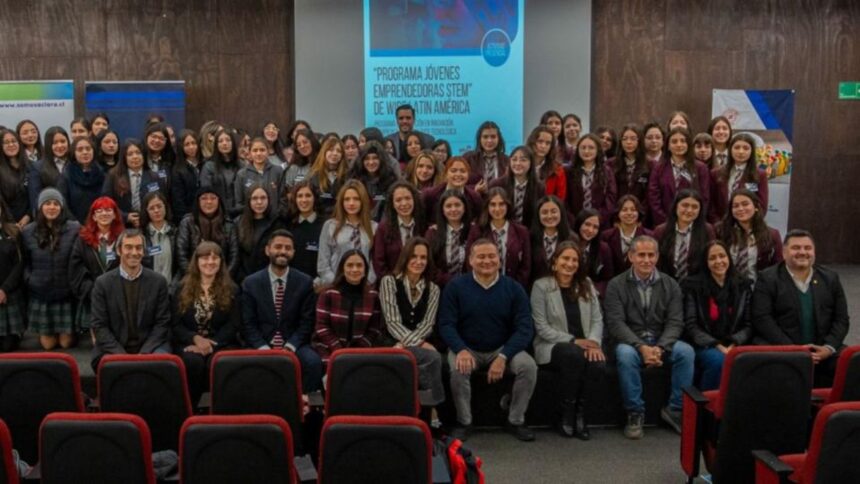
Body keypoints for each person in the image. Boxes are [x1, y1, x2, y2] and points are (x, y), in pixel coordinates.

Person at [439, 239, 537, 442]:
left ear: (499, 260)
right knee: (458, 370)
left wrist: (503, 356)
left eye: (492, 256)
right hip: (467, 347)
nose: (487, 260)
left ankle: (515, 420)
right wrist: (461, 349)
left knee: (528, 366)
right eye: (481, 256)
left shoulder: (514, 288)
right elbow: (446, 325)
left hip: (503, 348)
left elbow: (525, 328)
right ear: (470, 261)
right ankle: (464, 422)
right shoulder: (456, 287)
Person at [603, 235, 694, 439]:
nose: (646, 260)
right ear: (630, 256)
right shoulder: (616, 285)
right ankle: (635, 412)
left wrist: (660, 347)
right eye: (641, 255)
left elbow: (675, 322)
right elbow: (616, 323)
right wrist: (641, 347)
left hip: (661, 342)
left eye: (651, 255)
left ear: (657, 257)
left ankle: (675, 409)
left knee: (686, 352)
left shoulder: (670, 285)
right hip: (630, 342)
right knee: (625, 355)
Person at [751, 229, 849, 387]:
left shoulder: (830, 278)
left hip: (822, 350)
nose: (803, 252)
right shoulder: (767, 279)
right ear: (784, 252)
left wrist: (828, 348)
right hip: (782, 348)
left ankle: (838, 411)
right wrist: (794, 350)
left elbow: (841, 319)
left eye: (808, 248)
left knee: (853, 363)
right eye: (796, 248)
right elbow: (762, 319)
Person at [531, 241, 605, 439]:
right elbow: (541, 327)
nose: (570, 263)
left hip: (585, 345)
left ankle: (581, 414)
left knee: (596, 363)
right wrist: (575, 341)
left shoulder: (586, 284)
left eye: (575, 260)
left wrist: (594, 343)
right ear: (555, 261)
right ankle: (566, 412)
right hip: (552, 345)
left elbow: (597, 319)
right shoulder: (541, 286)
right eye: (565, 258)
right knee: (573, 354)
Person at [242, 229, 322, 391]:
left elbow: (306, 322)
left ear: (293, 252)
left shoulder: (304, 282)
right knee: (243, 365)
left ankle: (306, 408)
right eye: (278, 247)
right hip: (261, 343)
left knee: (313, 362)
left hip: (294, 343)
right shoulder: (251, 283)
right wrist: (263, 348)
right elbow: (248, 323)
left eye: (287, 248)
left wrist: (290, 346)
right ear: (267, 250)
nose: (282, 251)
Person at [90, 229, 172, 371]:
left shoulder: (158, 282)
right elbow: (99, 326)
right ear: (119, 250)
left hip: (150, 346)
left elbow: (162, 323)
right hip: (114, 346)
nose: (134, 252)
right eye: (128, 247)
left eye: (139, 247)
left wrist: (144, 354)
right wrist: (122, 356)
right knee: (114, 367)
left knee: (160, 364)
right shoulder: (102, 283)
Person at [378, 238, 445, 406]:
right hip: (391, 341)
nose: (418, 261)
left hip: (414, 343)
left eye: (423, 257)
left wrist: (413, 344)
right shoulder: (389, 282)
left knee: (432, 358)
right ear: (405, 258)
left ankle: (425, 407)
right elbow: (392, 322)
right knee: (432, 357)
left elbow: (427, 324)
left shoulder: (434, 289)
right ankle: (428, 405)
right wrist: (418, 343)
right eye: (413, 256)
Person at [172, 241, 240, 403]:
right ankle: (191, 411)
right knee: (192, 363)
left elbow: (234, 324)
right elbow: (175, 324)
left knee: (218, 363)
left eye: (215, 258)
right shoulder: (181, 288)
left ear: (221, 262)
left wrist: (211, 344)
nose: (210, 262)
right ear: (196, 262)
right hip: (189, 342)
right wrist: (195, 339)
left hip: (221, 342)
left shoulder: (232, 289)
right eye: (205, 258)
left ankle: (220, 411)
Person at [682, 241, 753, 391]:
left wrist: (734, 344)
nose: (718, 261)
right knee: (718, 360)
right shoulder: (692, 286)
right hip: (703, 345)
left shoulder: (743, 285)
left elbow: (749, 324)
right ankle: (707, 406)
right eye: (712, 258)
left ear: (729, 258)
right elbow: (691, 325)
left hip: (734, 344)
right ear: (705, 262)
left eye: (722, 256)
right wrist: (716, 345)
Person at [22, 188, 81, 350]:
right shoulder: (28, 232)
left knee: (66, 343)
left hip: (66, 293)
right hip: (41, 294)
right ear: (40, 207)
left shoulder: (74, 228)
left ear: (62, 207)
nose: (52, 207)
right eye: (47, 203)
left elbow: (79, 260)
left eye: (56, 203)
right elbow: (24, 262)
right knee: (48, 346)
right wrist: (31, 279)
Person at [312, 250, 382, 366]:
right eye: (350, 265)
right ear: (342, 269)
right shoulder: (328, 294)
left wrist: (357, 351)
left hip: (361, 350)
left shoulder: (373, 296)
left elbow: (374, 329)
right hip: (328, 348)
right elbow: (321, 327)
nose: (355, 269)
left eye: (359, 265)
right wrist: (339, 351)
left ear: (365, 271)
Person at [69, 197, 125, 335]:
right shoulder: (82, 239)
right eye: (99, 211)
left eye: (108, 210)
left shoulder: (124, 237)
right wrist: (92, 290)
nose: (104, 214)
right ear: (93, 216)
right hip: (92, 295)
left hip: (119, 294)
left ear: (114, 215)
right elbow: (76, 268)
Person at [466, 187, 531, 288]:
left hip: (512, 288)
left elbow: (525, 266)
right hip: (482, 286)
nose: (497, 209)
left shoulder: (521, 231)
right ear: (487, 206)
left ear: (507, 206)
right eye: (493, 204)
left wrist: (514, 287)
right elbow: (469, 262)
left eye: (501, 204)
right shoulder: (477, 230)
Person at [317, 180, 378, 286]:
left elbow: (375, 262)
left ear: (363, 201)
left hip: (364, 286)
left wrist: (367, 282)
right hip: (335, 285)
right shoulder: (330, 226)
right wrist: (336, 283)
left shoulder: (374, 228)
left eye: (356, 199)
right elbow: (323, 263)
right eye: (347, 199)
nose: (351, 203)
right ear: (341, 202)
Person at [648, 127, 711, 226]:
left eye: (683, 141)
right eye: (674, 141)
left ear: (688, 145)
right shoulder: (658, 168)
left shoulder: (700, 168)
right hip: (664, 223)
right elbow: (654, 198)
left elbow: (704, 198)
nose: (679, 144)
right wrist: (666, 222)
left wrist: (693, 220)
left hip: (693, 223)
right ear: (667, 145)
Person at [715, 189, 782, 281]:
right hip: (727, 287)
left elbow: (778, 267)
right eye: (735, 206)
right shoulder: (721, 231)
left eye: (745, 204)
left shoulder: (772, 234)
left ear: (756, 206)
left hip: (758, 288)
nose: (741, 209)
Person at [176, 186, 240, 278]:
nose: (209, 202)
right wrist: (194, 278)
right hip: (191, 277)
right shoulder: (188, 222)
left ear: (219, 201)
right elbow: (181, 255)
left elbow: (234, 256)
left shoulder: (228, 224)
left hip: (223, 277)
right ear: (198, 201)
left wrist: (224, 277)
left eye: (213, 198)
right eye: (204, 198)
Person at [654, 189, 715, 281]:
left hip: (697, 285)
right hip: (667, 283)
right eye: (685, 205)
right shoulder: (660, 231)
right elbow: (657, 262)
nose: (689, 210)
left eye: (694, 207)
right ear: (676, 206)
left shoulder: (707, 230)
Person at [102, 139, 164, 227]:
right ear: (124, 157)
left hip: (147, 224)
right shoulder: (113, 175)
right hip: (120, 224)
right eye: (130, 154)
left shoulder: (155, 177)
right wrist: (125, 216)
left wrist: (144, 218)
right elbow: (106, 202)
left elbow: (161, 203)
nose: (135, 157)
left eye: (138, 153)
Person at [708, 133, 769, 223]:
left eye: (746, 148)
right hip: (721, 226)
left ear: (752, 151)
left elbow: (761, 206)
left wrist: (748, 224)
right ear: (730, 150)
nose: (741, 151)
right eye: (737, 147)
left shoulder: (759, 175)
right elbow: (711, 204)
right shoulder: (716, 173)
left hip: (747, 226)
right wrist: (718, 224)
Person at [372, 181, 426, 278]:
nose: (404, 203)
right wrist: (393, 283)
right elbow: (379, 263)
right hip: (391, 284)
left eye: (408, 198)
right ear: (392, 203)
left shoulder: (423, 225)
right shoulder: (383, 228)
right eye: (398, 200)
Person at [566, 134, 617, 227]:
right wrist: (575, 221)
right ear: (577, 150)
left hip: (600, 223)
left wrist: (597, 219)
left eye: (591, 148)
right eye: (583, 148)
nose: (586, 151)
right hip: (574, 223)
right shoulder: (569, 171)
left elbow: (611, 198)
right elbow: (565, 200)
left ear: (598, 150)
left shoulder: (607, 171)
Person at [426, 189, 472, 288]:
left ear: (464, 208)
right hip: (441, 288)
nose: (453, 209)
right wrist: (450, 280)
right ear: (442, 210)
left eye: (457, 205)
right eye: (448, 206)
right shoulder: (433, 233)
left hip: (470, 286)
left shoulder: (473, 231)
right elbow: (429, 264)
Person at [487, 145, 541, 229]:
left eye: (523, 160)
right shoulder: (497, 184)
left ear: (531, 163)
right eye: (514, 159)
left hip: (529, 232)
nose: (518, 163)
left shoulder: (539, 186)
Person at [421, 156, 484, 225]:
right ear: (446, 174)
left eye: (463, 171)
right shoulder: (430, 195)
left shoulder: (475, 197)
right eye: (453, 171)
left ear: (468, 175)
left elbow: (479, 221)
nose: (458, 174)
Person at [283, 181, 324, 286]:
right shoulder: (288, 225)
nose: (304, 200)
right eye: (300, 196)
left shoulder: (325, 226)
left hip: (316, 286)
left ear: (315, 198)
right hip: (292, 284)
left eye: (308, 196)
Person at [601, 195, 653, 276]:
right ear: (618, 213)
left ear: (639, 213)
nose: (629, 213)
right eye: (624, 210)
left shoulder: (649, 236)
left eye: (633, 210)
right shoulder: (606, 236)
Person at [59, 136, 105, 223]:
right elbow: (63, 204)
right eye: (80, 150)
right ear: (74, 153)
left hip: (99, 224)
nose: (85, 152)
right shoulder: (66, 175)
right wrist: (75, 224)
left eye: (88, 149)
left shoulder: (102, 174)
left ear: (93, 151)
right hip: (73, 226)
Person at [349, 140, 398, 222]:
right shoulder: (354, 180)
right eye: (367, 159)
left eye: (375, 158)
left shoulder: (391, 180)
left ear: (381, 160)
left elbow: (390, 211)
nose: (371, 162)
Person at [200, 127, 244, 218]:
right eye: (220, 141)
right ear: (216, 145)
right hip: (217, 214)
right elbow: (206, 192)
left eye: (228, 140)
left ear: (233, 143)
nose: (224, 143)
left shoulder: (242, 166)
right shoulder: (209, 167)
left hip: (240, 213)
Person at [530, 195, 575, 282]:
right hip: (536, 288)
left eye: (554, 212)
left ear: (561, 213)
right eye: (544, 212)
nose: (549, 216)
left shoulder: (572, 238)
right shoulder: (530, 238)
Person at [611, 124, 651, 223]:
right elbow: (610, 194)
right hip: (616, 217)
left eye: (633, 139)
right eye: (625, 139)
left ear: (639, 141)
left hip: (642, 218)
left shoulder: (650, 164)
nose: (629, 142)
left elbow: (649, 195)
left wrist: (640, 215)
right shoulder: (611, 164)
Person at [233, 137, 283, 215]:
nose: (258, 153)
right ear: (249, 153)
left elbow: (283, 199)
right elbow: (239, 202)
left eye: (262, 150)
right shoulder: (242, 174)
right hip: (250, 220)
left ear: (268, 151)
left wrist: (277, 215)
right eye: (255, 150)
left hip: (274, 220)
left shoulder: (278, 171)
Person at [140, 191, 179, 284]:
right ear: (146, 211)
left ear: (165, 207)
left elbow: (179, 266)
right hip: (148, 288)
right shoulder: (141, 235)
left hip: (172, 289)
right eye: (151, 208)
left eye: (159, 206)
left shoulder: (176, 232)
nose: (156, 210)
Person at [0, 198, 24, 352]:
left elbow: (20, 264)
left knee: (7, 347)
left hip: (9, 295)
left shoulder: (13, 231)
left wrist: (4, 289)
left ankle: (18, 334)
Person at [28, 126, 70, 211]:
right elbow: (35, 199)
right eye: (55, 143)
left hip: (74, 219)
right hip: (49, 216)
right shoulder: (37, 167)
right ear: (48, 144)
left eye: (63, 141)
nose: (60, 145)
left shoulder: (75, 163)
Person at [574, 209, 614, 296]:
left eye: (595, 227)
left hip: (593, 294)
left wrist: (595, 290)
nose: (590, 230)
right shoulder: (568, 243)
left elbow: (607, 278)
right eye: (587, 224)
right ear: (579, 223)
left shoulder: (604, 249)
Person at [307, 136, 348, 219]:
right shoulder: (313, 176)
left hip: (341, 220)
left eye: (339, 151)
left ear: (342, 155)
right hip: (318, 221)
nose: (335, 153)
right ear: (324, 152)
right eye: (331, 150)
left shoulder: (347, 177)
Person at [0, 128, 32, 227]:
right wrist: (12, 222)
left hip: (32, 221)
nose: (11, 145)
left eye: (14, 141)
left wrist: (28, 216)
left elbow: (36, 195)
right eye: (6, 143)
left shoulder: (32, 167)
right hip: (8, 224)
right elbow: (2, 201)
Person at [527, 125, 566, 201]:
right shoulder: (520, 164)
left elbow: (560, 199)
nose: (543, 146)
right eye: (540, 141)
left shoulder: (557, 169)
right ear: (532, 142)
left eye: (548, 143)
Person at [171, 129, 202, 224]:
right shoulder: (177, 170)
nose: (191, 147)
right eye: (187, 144)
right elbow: (178, 200)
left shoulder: (205, 164)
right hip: (188, 217)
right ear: (181, 147)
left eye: (194, 143)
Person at [464, 121, 509, 185]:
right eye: (485, 137)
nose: (489, 140)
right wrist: (474, 190)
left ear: (499, 139)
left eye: (493, 137)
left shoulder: (507, 161)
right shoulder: (469, 158)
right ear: (480, 139)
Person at [279, 129, 319, 194]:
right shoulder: (294, 167)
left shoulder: (322, 164)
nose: (302, 146)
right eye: (298, 145)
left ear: (312, 141)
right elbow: (287, 193)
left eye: (305, 142)